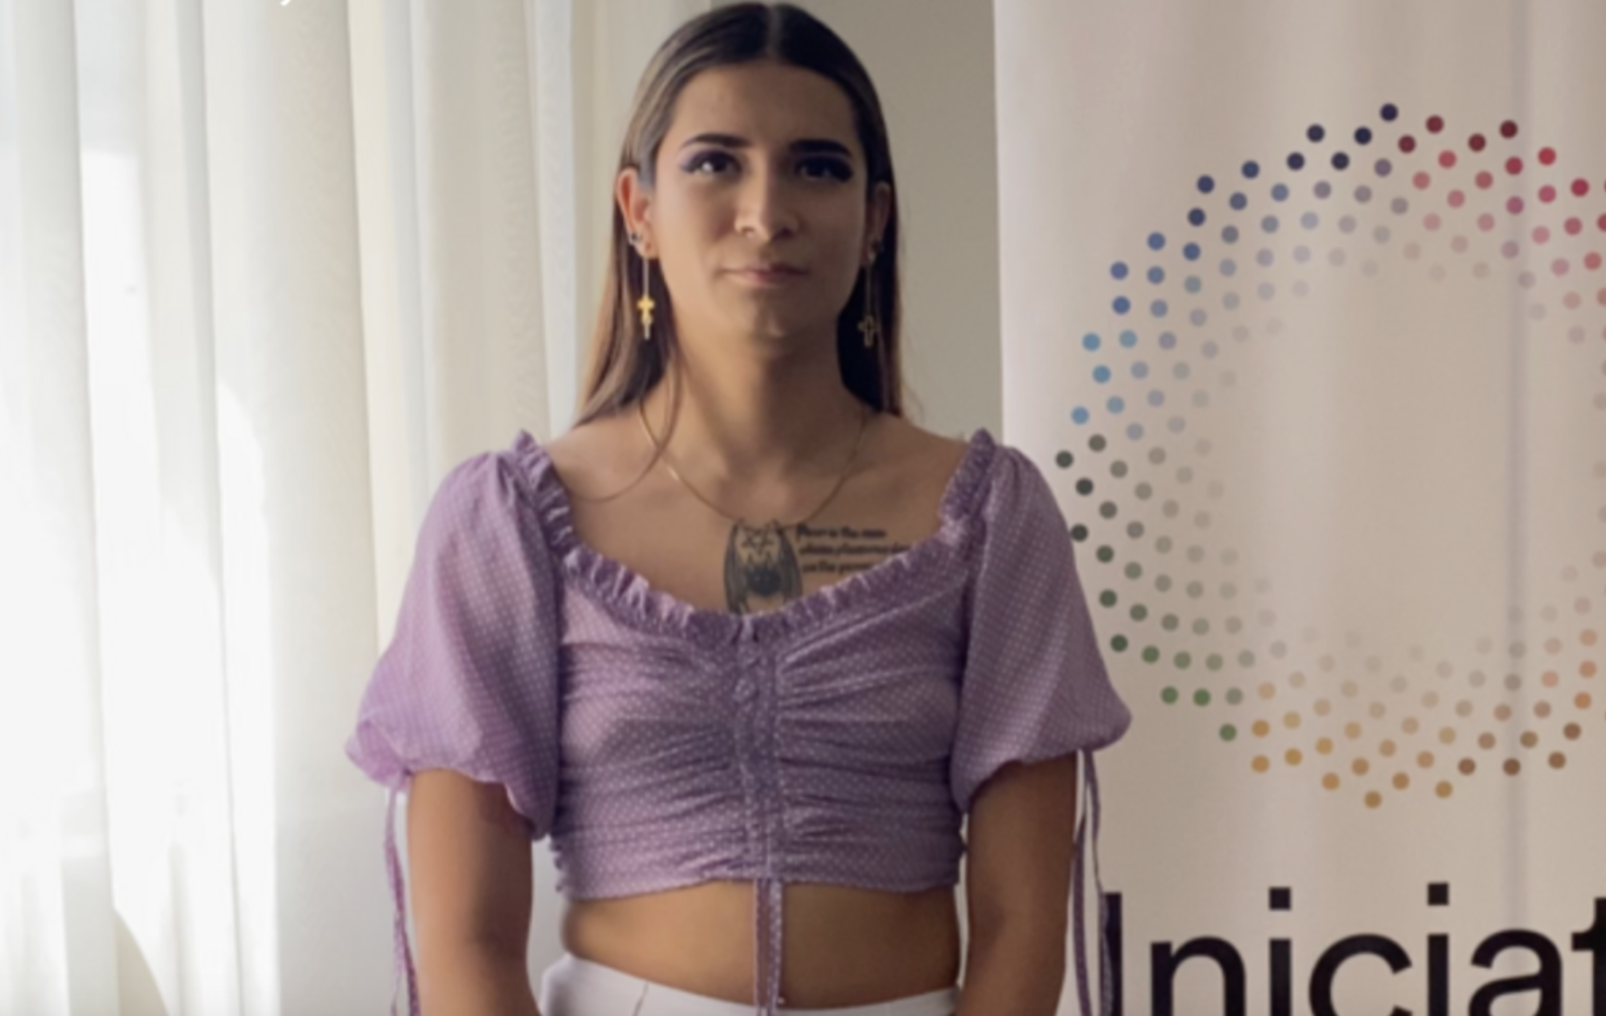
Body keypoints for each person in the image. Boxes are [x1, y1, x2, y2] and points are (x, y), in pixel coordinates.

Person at [345, 4, 1131, 1015]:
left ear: (875, 215)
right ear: (637, 208)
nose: (766, 210)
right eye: (716, 162)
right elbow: (461, 941)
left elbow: (1024, 928)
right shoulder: (504, 523)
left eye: (817, 166)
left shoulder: (986, 516)